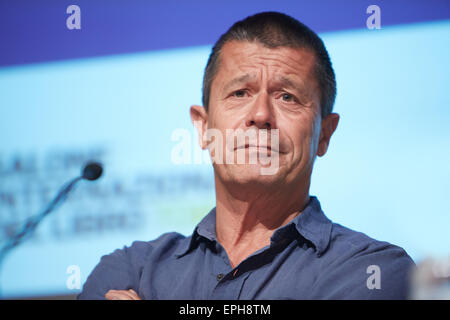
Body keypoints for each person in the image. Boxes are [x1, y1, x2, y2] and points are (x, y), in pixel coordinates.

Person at [78, 11, 415, 300]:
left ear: (324, 134)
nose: (261, 114)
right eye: (240, 93)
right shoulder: (131, 270)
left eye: (287, 97)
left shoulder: (371, 271)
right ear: (203, 126)